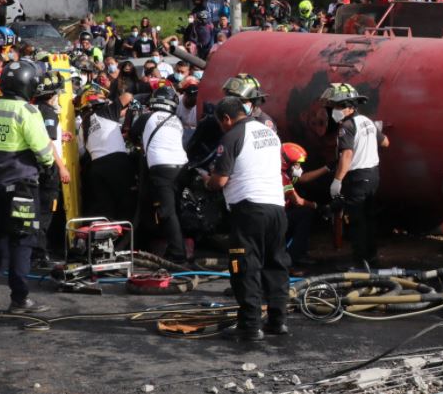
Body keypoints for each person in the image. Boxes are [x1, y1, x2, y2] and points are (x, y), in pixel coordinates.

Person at [0, 60, 54, 313]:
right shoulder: (27, 112)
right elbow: (44, 153)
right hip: (23, 186)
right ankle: (20, 298)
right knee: (24, 240)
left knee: (6, 235)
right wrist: (48, 162)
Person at [205, 96, 290, 341]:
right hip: (276, 207)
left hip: (249, 209)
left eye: (221, 123)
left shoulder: (231, 136)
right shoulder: (269, 133)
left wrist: (208, 181)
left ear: (227, 119)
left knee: (245, 266)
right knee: (276, 264)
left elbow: (220, 180)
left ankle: (250, 325)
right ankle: (278, 320)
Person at [322, 82, 389, 268]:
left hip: (358, 178)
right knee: (369, 219)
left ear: (346, 107)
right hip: (373, 175)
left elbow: (347, 154)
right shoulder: (367, 121)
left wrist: (337, 180)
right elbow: (386, 143)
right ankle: (372, 258)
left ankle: (361, 264)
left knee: (357, 222)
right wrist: (367, 147)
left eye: (336, 106)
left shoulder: (347, 126)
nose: (333, 111)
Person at [135, 84, 189, 263]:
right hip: (182, 168)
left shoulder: (146, 117)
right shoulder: (177, 121)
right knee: (176, 209)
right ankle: (181, 245)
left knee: (167, 212)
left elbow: (132, 136)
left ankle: (177, 254)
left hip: (161, 168)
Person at [77, 85, 135, 223]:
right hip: (117, 163)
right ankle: (127, 240)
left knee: (105, 210)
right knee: (125, 205)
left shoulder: (83, 125)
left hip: (96, 168)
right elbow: (127, 96)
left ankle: (106, 241)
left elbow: (81, 151)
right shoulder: (106, 111)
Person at [31, 69, 71, 266]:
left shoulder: (33, 109)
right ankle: (39, 254)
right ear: (53, 94)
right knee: (45, 212)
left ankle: (35, 251)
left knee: (37, 211)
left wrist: (60, 136)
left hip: (34, 168)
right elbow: (46, 141)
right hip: (48, 169)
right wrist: (62, 167)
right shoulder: (48, 112)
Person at [280, 142, 330, 272]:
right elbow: (297, 201)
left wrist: (326, 168)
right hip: (275, 219)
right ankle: (291, 259)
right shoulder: (282, 177)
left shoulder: (283, 173)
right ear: (287, 161)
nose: (299, 167)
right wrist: (317, 206)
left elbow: (303, 179)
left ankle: (291, 254)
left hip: (277, 215)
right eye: (296, 163)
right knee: (305, 213)